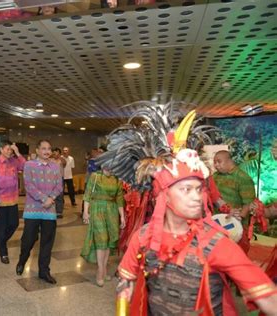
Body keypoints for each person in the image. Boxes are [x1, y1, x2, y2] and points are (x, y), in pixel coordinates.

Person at [109, 109, 277, 315]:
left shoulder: (215, 244)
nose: (197, 196)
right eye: (186, 189)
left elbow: (268, 297)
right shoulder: (143, 237)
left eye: (199, 189)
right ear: (164, 195)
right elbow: (125, 282)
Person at [16, 140, 63, 284]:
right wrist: (44, 198)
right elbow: (29, 185)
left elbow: (59, 186)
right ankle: (22, 260)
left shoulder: (55, 166)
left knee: (47, 242)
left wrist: (52, 198)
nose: (47, 151)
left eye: (49, 149)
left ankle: (44, 271)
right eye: (43, 149)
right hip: (33, 210)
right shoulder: (29, 165)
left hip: (49, 211)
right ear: (37, 151)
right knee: (28, 240)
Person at [81, 167, 125, 287]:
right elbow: (87, 195)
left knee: (108, 240)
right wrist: (85, 212)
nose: (109, 165)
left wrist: (122, 216)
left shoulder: (116, 179)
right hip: (97, 209)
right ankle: (100, 271)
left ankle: (104, 268)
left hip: (112, 210)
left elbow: (120, 199)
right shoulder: (95, 176)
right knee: (101, 239)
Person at [213, 150, 256, 253]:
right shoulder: (215, 176)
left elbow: (248, 203)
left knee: (236, 253)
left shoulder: (243, 178)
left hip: (235, 223)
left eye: (219, 161)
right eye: (214, 162)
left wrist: (238, 219)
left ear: (229, 161)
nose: (216, 165)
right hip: (217, 222)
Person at [0, 140, 26, 264]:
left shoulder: (14, 161)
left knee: (14, 224)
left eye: (11, 149)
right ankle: (3, 253)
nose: (9, 151)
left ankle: (0, 240)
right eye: (7, 149)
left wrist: (18, 153)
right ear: (1, 149)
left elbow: (25, 167)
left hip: (12, 200)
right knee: (0, 228)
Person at [51, 147, 66, 218]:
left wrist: (59, 157)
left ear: (59, 153)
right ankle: (52, 210)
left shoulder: (62, 160)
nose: (55, 154)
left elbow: (64, 163)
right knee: (52, 195)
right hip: (51, 180)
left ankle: (59, 212)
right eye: (54, 152)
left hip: (60, 179)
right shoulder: (50, 160)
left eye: (56, 152)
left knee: (60, 195)